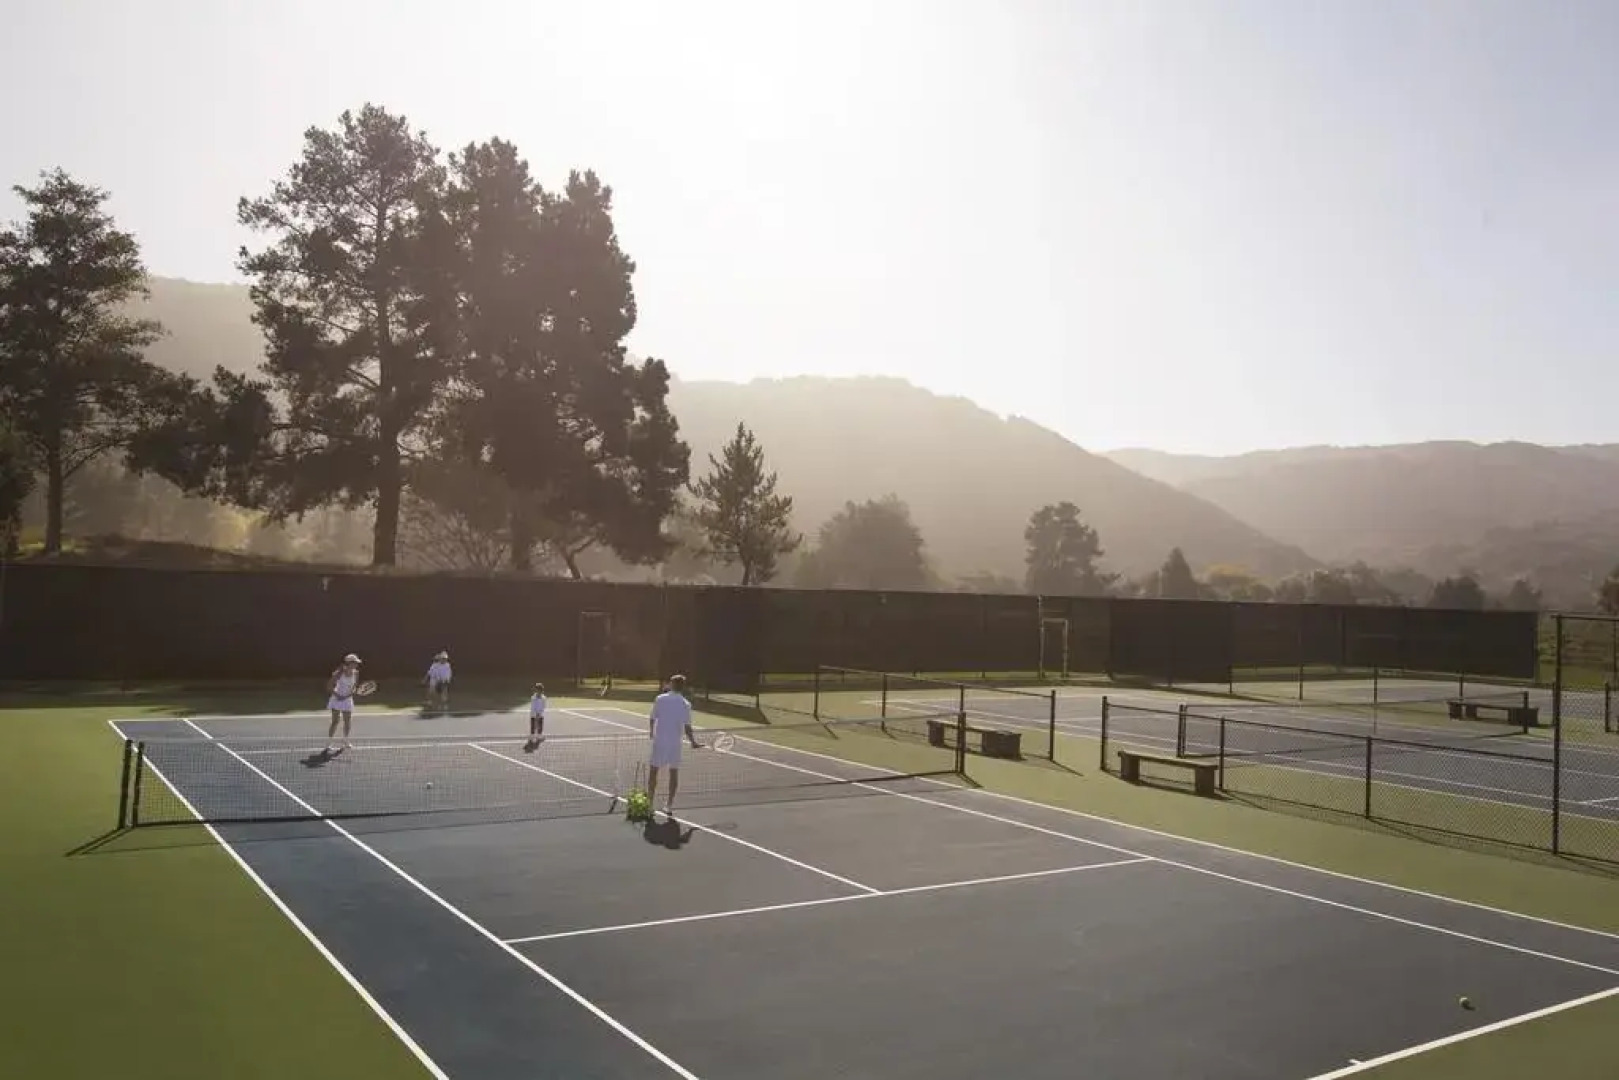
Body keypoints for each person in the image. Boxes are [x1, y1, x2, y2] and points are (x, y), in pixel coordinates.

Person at [646, 674, 701, 816]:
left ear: (671, 684)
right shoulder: (685, 704)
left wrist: (651, 732)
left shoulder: (660, 699)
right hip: (675, 743)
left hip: (660, 741)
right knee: (673, 773)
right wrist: (693, 742)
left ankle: (649, 804)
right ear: (683, 686)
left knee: (654, 771)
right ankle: (669, 806)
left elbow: (652, 718)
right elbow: (687, 727)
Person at [325, 653, 363, 752]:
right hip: (336, 699)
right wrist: (338, 695)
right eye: (354, 663)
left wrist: (349, 694)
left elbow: (354, 687)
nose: (356, 665)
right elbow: (329, 686)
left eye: (356, 663)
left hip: (347, 699)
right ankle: (329, 743)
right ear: (349, 663)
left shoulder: (356, 673)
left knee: (347, 721)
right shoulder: (339, 673)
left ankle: (345, 740)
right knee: (335, 721)